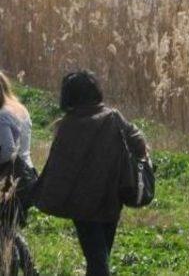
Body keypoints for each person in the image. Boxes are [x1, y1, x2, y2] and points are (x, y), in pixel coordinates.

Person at [35, 70, 147, 276]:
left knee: (96, 257)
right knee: (101, 253)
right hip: (112, 198)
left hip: (82, 204)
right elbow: (139, 142)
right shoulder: (113, 117)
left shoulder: (67, 125)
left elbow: (58, 168)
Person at [0, 71, 39, 276]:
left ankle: (11, 268)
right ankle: (30, 270)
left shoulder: (2, 114)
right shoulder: (19, 109)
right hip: (27, 176)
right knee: (8, 229)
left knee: (4, 231)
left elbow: (7, 151)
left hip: (10, 180)